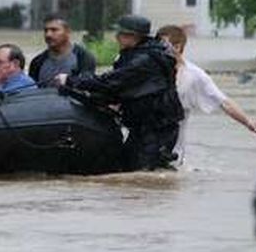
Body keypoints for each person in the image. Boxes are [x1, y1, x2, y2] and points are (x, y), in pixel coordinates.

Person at [56, 15, 184, 171]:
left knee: (144, 172)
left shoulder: (144, 60)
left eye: (121, 34)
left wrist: (71, 81)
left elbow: (110, 82)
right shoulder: (137, 54)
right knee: (125, 167)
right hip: (143, 127)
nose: (116, 37)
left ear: (134, 36)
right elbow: (118, 89)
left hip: (157, 129)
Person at [156, 25, 256, 164]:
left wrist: (248, 122)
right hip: (141, 144)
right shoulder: (146, 69)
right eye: (156, 45)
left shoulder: (194, 75)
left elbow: (223, 102)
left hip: (172, 151)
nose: (158, 50)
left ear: (177, 47)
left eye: (163, 46)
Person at [28, 13, 96, 87]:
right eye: (46, 30)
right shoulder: (37, 62)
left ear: (68, 32)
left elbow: (87, 85)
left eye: (54, 30)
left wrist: (69, 80)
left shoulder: (83, 57)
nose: (48, 34)